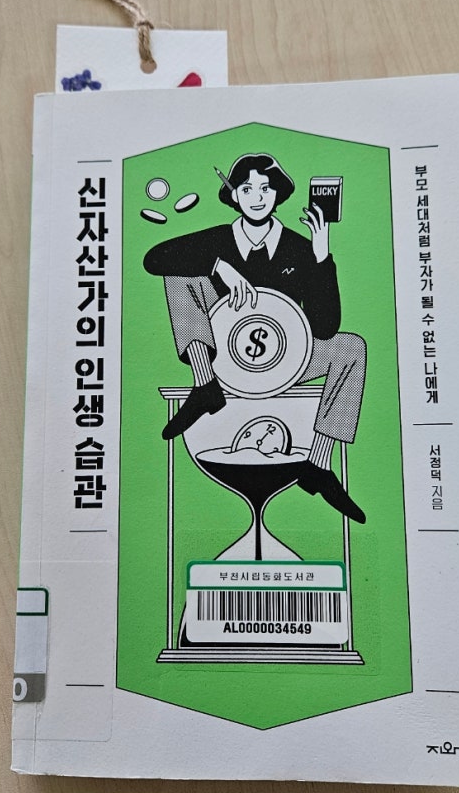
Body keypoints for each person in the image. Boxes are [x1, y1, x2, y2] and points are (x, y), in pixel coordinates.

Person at [143, 153, 367, 523]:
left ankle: (317, 464)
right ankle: (204, 386)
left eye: (265, 188)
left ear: (278, 194)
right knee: (180, 271)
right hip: (223, 361)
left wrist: (321, 256)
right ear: (233, 195)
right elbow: (154, 259)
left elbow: (325, 327)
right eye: (247, 189)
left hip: (286, 363)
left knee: (351, 347)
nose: (257, 197)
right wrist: (218, 266)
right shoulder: (217, 240)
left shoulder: (299, 247)